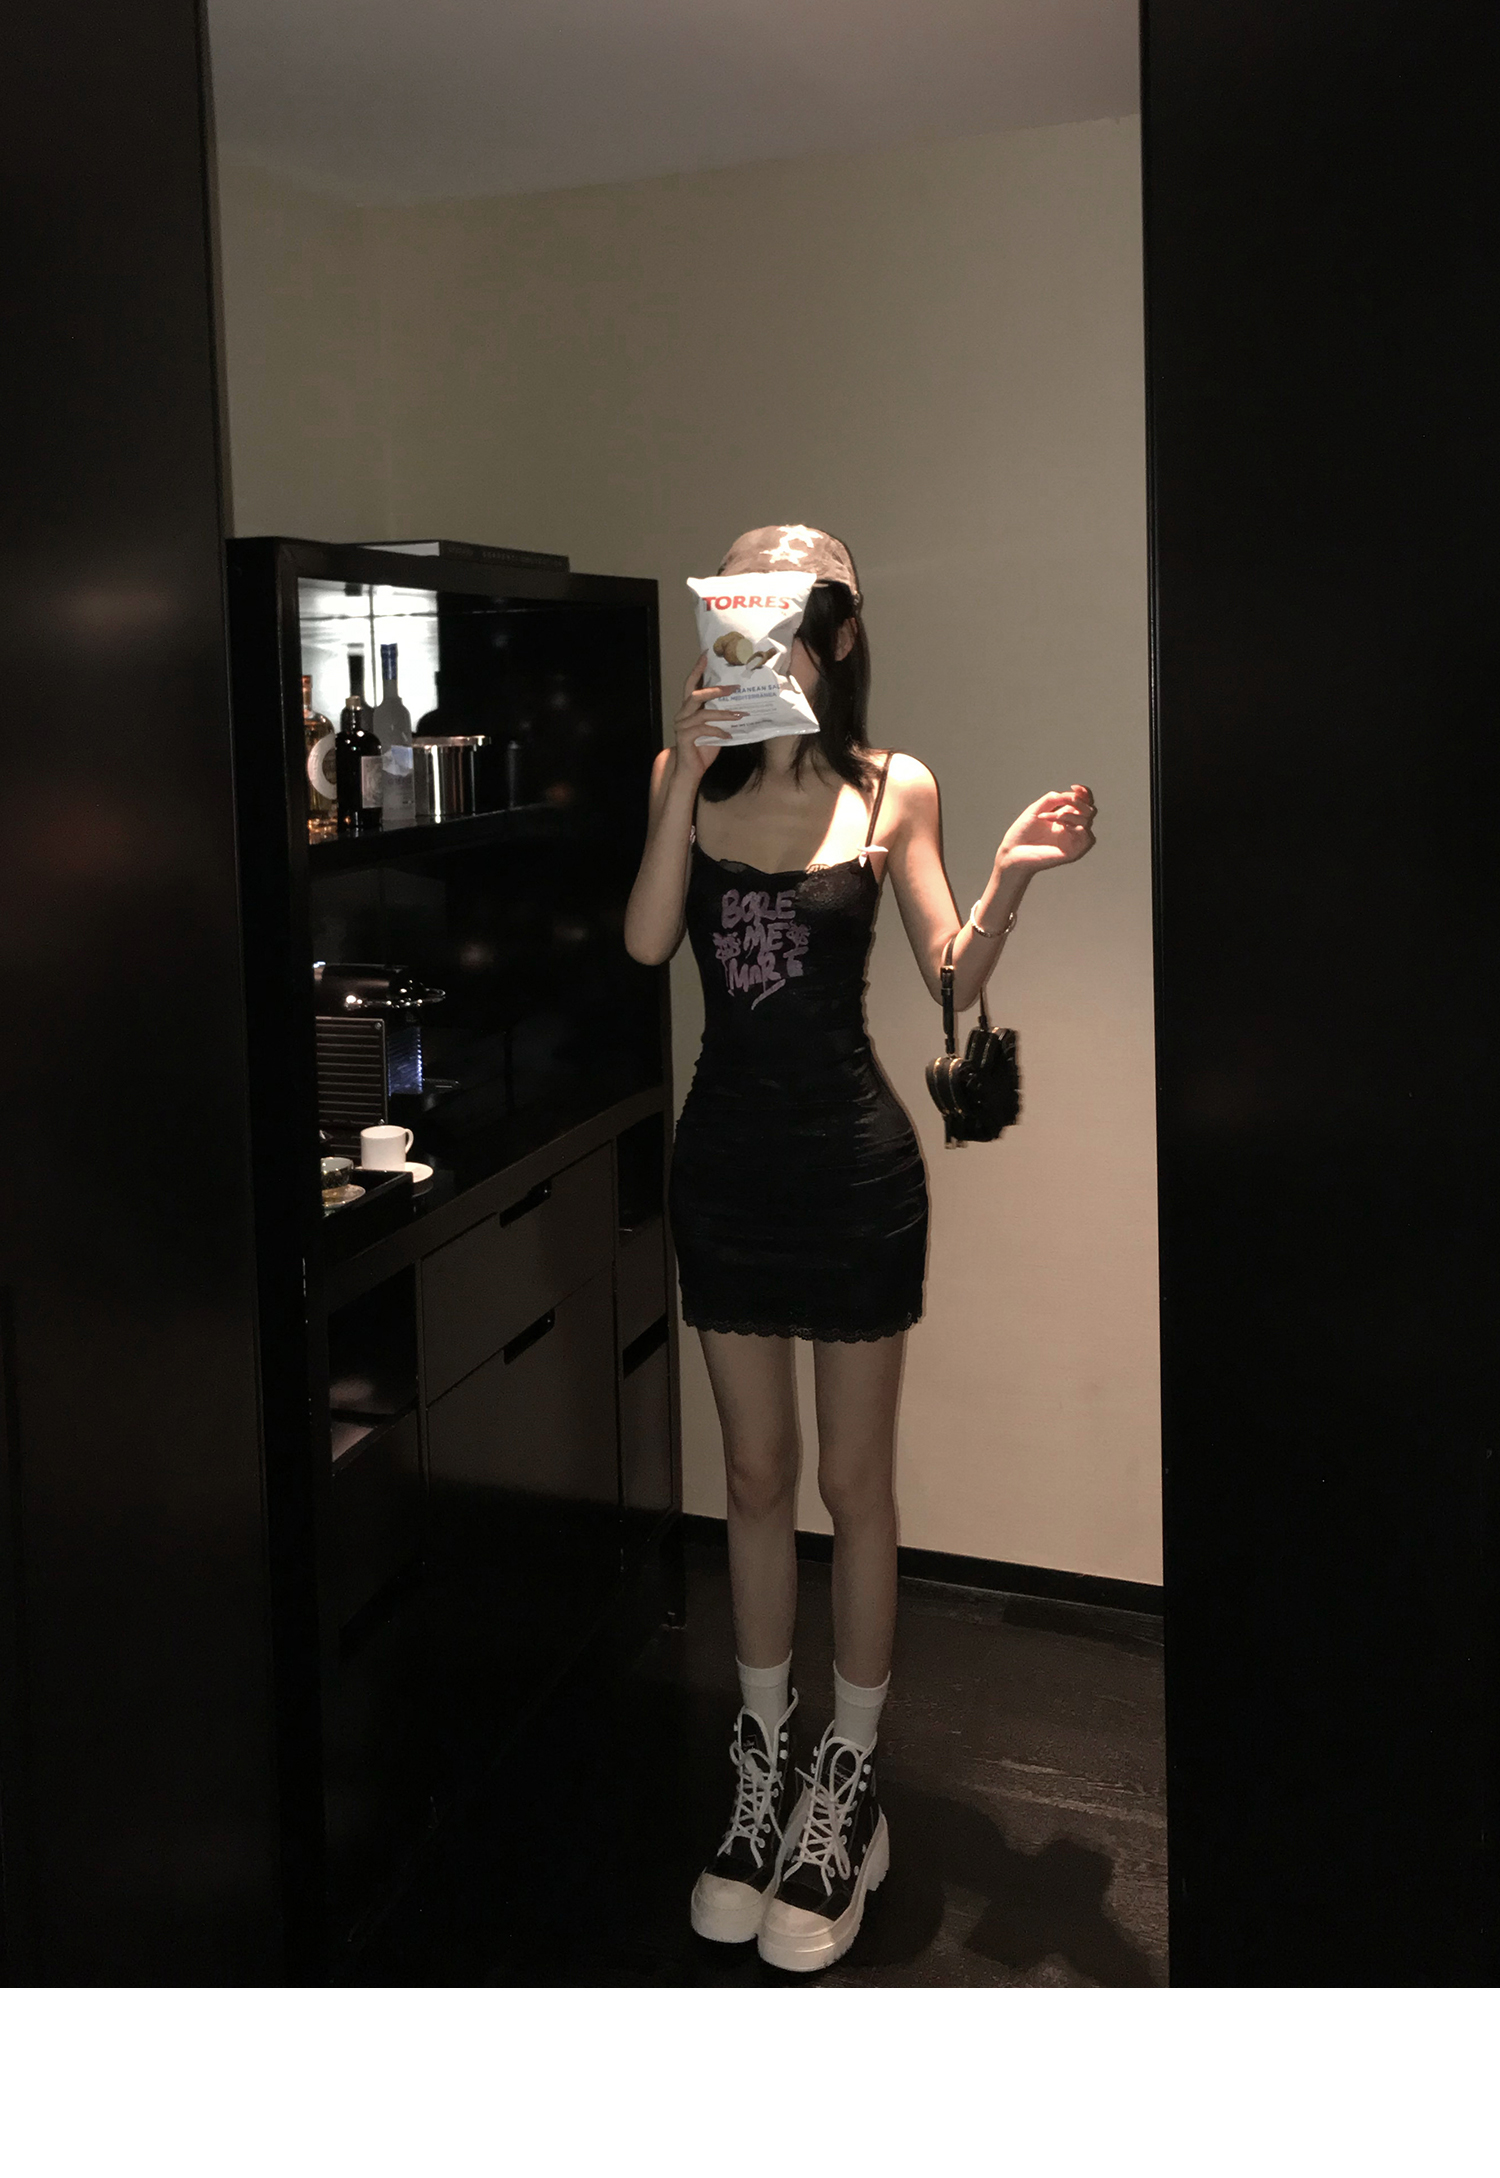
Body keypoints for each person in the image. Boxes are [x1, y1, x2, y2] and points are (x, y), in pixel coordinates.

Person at [623, 525, 1096, 1972]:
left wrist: (1009, 874)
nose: (772, 636)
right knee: (754, 1477)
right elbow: (645, 944)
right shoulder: (683, 775)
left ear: (837, 634)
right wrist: (680, 780)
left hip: (851, 1170)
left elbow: (951, 968)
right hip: (725, 1167)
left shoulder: (895, 786)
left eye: (800, 612)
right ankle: (763, 1759)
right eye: (746, 607)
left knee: (852, 1484)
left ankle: (850, 1779)